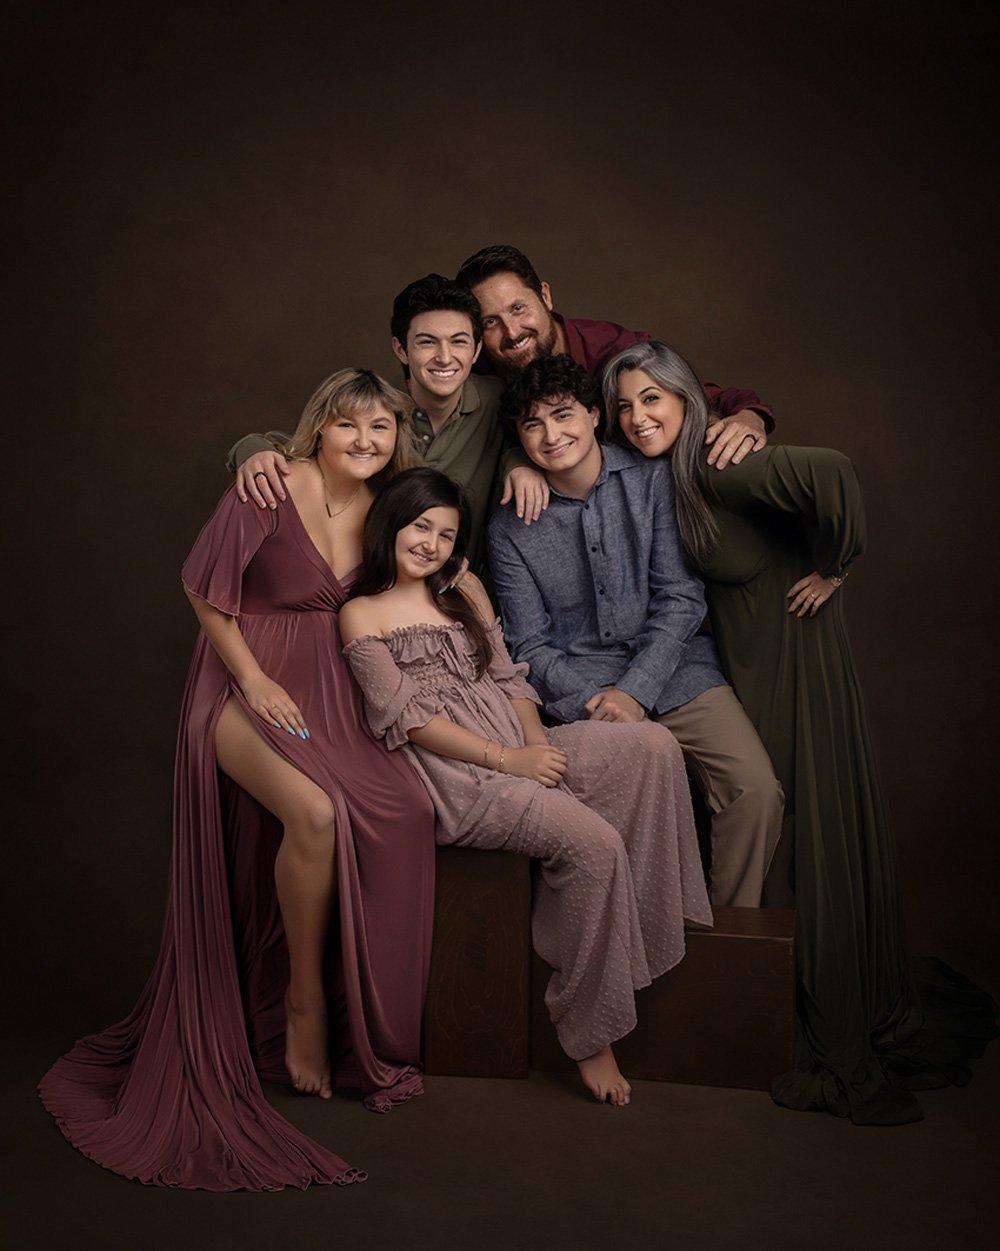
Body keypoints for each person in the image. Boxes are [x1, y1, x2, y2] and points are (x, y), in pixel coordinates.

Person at [39, 370, 437, 1190]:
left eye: (382, 429)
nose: (366, 442)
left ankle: (371, 1020)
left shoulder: (391, 503)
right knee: (316, 814)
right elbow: (200, 587)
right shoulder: (266, 484)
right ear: (318, 427)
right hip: (242, 683)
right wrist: (252, 679)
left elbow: (428, 568)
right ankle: (300, 1007)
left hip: (333, 695)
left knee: (403, 808)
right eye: (349, 426)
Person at [602, 339, 998, 1124]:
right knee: (767, 812)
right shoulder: (662, 475)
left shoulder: (719, 461)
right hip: (740, 659)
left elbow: (835, 472)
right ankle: (753, 979)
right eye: (624, 404)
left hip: (789, 653)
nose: (637, 416)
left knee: (788, 808)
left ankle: (783, 988)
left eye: (653, 398)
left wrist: (838, 564)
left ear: (689, 401)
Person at [339, 468, 713, 1107]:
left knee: (651, 745)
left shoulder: (462, 590)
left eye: (446, 533)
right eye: (420, 526)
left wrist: (537, 743)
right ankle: (590, 1034)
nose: (430, 542)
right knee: (594, 845)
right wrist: (508, 761)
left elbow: (510, 679)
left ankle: (638, 934)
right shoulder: (360, 614)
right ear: (391, 524)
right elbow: (412, 721)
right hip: (463, 779)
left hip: (516, 743)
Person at [488, 355, 783, 909]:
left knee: (757, 793)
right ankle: (632, 946)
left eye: (563, 415)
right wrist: (592, 702)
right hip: (581, 696)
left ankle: (723, 942)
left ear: (596, 415)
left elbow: (680, 599)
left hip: (677, 672)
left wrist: (635, 690)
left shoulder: (654, 482)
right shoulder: (510, 527)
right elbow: (528, 644)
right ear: (519, 439)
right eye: (533, 424)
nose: (552, 435)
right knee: (605, 823)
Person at [229, 275, 550, 569]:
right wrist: (252, 450)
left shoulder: (497, 400)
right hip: (377, 590)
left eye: (458, 341)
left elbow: (535, 435)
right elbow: (302, 445)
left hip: (464, 591)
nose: (444, 356)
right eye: (427, 342)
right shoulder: (379, 414)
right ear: (401, 349)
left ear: (477, 348)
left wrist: (517, 463)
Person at [455, 243, 771, 471]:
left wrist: (749, 416)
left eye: (518, 308)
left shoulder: (613, 350)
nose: (511, 332)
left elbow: (701, 396)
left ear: (546, 296)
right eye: (490, 322)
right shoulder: (478, 366)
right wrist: (517, 463)